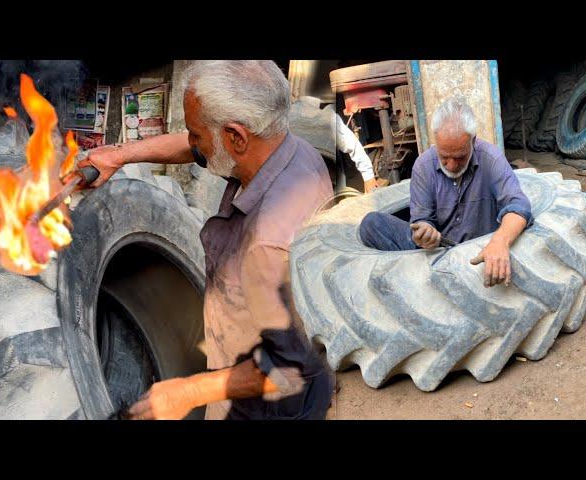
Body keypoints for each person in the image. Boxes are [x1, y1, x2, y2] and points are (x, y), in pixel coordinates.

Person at [79, 60, 334, 420]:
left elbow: (290, 371)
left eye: (196, 133)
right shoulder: (287, 150)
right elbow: (194, 149)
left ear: (235, 137)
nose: (192, 143)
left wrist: (190, 391)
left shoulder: (266, 242)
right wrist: (119, 156)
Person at [358, 97, 533, 288]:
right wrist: (424, 232)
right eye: (444, 156)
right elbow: (421, 220)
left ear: (473, 141)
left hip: (479, 251)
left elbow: (518, 207)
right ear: (436, 141)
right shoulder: (423, 166)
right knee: (371, 223)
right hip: (437, 253)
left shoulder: (491, 158)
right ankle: (420, 283)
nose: (451, 165)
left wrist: (500, 242)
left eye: (460, 157)